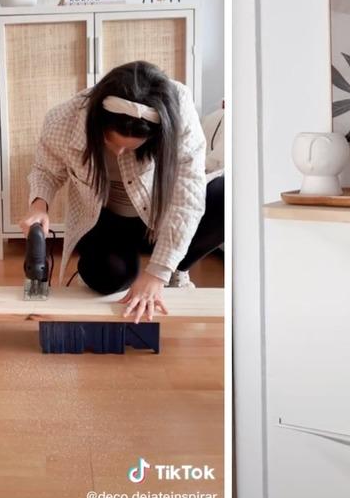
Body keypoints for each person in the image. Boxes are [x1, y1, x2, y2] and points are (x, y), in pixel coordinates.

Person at [20, 61, 223, 324]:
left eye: (130, 149)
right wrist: (38, 205)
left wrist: (157, 274)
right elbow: (46, 170)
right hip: (106, 221)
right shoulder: (64, 118)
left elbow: (188, 197)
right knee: (107, 276)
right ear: (98, 122)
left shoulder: (179, 109)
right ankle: (128, 267)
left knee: (224, 197)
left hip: (161, 217)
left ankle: (175, 268)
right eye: (110, 142)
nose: (117, 153)